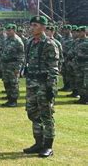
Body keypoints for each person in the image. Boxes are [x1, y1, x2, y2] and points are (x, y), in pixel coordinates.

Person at [23, 15, 59, 158]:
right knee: (32, 113)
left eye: (35, 25)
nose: (32, 28)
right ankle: (38, 143)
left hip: (44, 84)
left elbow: (53, 68)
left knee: (46, 115)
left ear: (43, 27)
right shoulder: (30, 42)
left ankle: (48, 146)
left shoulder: (49, 44)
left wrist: (51, 87)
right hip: (32, 84)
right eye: (31, 25)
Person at [0, 23, 25, 107]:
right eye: (7, 30)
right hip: (5, 65)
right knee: (6, 82)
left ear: (14, 30)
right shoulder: (6, 40)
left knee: (13, 83)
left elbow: (21, 55)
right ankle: (9, 97)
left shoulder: (17, 40)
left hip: (13, 65)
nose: (7, 32)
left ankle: (14, 100)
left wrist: (18, 68)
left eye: (9, 30)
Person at [73, 26, 88, 104]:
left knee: (86, 83)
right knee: (79, 82)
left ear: (85, 32)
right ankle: (82, 98)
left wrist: (83, 56)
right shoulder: (76, 41)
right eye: (78, 32)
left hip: (86, 65)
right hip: (78, 65)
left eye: (81, 31)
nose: (79, 33)